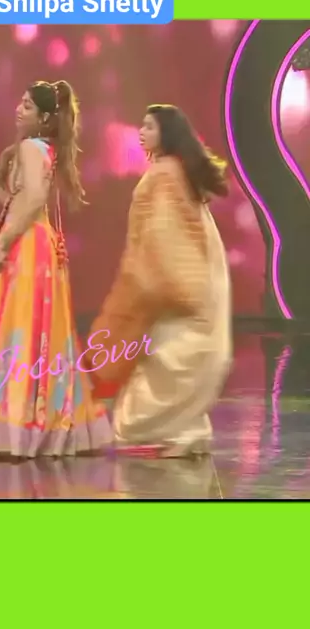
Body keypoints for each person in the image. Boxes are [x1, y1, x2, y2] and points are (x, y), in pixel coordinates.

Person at [0, 80, 112, 458]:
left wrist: (4, 244)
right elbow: (14, 201)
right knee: (28, 328)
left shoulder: (30, 148)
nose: (18, 110)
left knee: (18, 327)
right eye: (19, 103)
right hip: (35, 240)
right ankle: (30, 419)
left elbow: (34, 198)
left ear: (44, 117)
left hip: (28, 244)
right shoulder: (38, 148)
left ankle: (19, 422)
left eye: (27, 105)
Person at [86, 104, 232, 458]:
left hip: (176, 281)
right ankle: (185, 430)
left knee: (165, 354)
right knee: (176, 353)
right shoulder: (178, 170)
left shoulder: (164, 174)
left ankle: (164, 432)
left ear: (167, 133)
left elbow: (164, 235)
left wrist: (149, 284)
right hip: (196, 275)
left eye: (149, 126)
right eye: (142, 125)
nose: (142, 132)